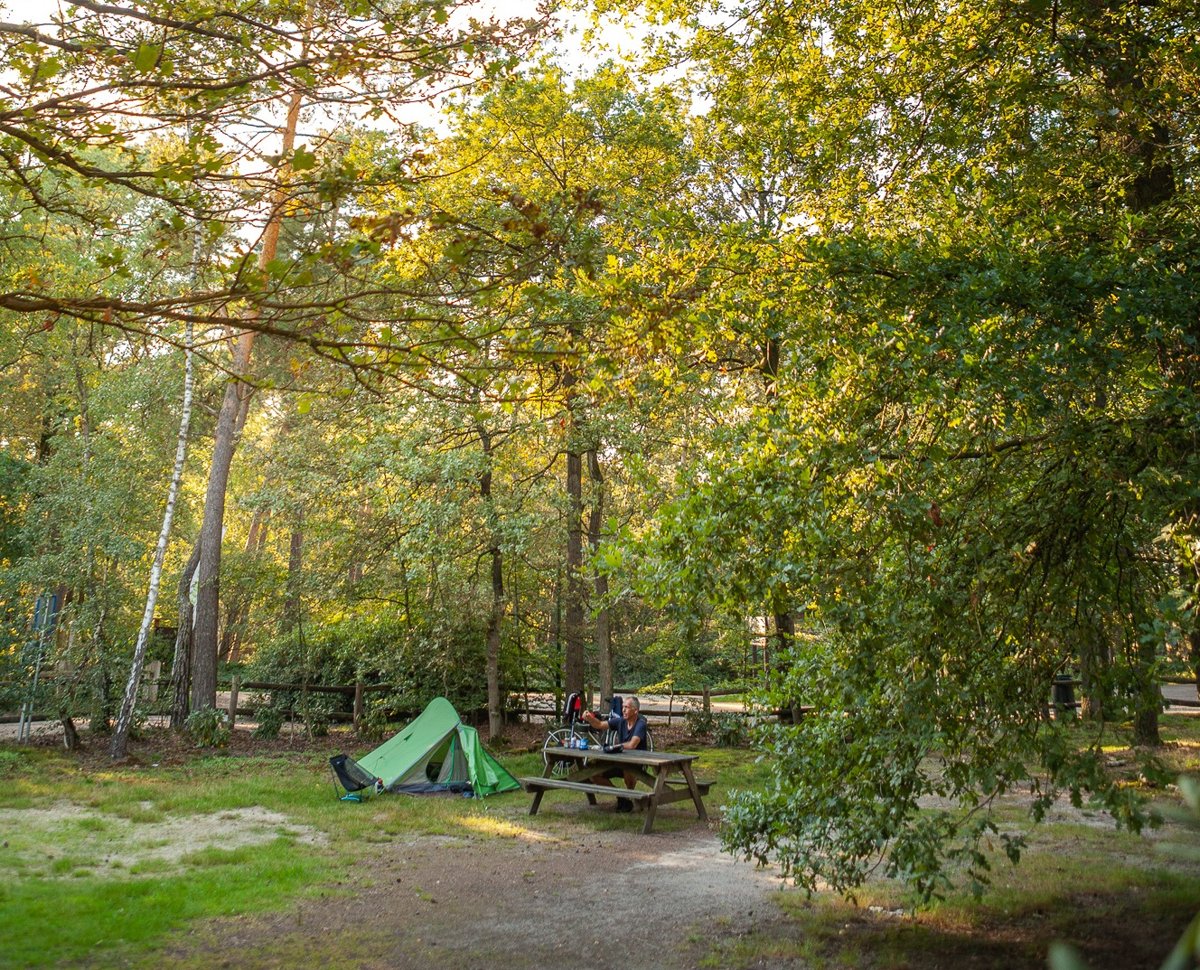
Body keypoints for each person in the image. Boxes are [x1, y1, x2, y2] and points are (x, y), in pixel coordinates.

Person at [580, 696, 647, 812]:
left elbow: (632, 745)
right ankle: (622, 797)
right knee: (593, 771)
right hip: (619, 761)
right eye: (623, 707)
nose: (623, 710)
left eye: (627, 707)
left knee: (628, 768)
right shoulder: (621, 721)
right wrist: (590, 718)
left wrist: (614, 747)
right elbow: (600, 725)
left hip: (636, 763)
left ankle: (630, 798)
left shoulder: (640, 724)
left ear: (635, 710)